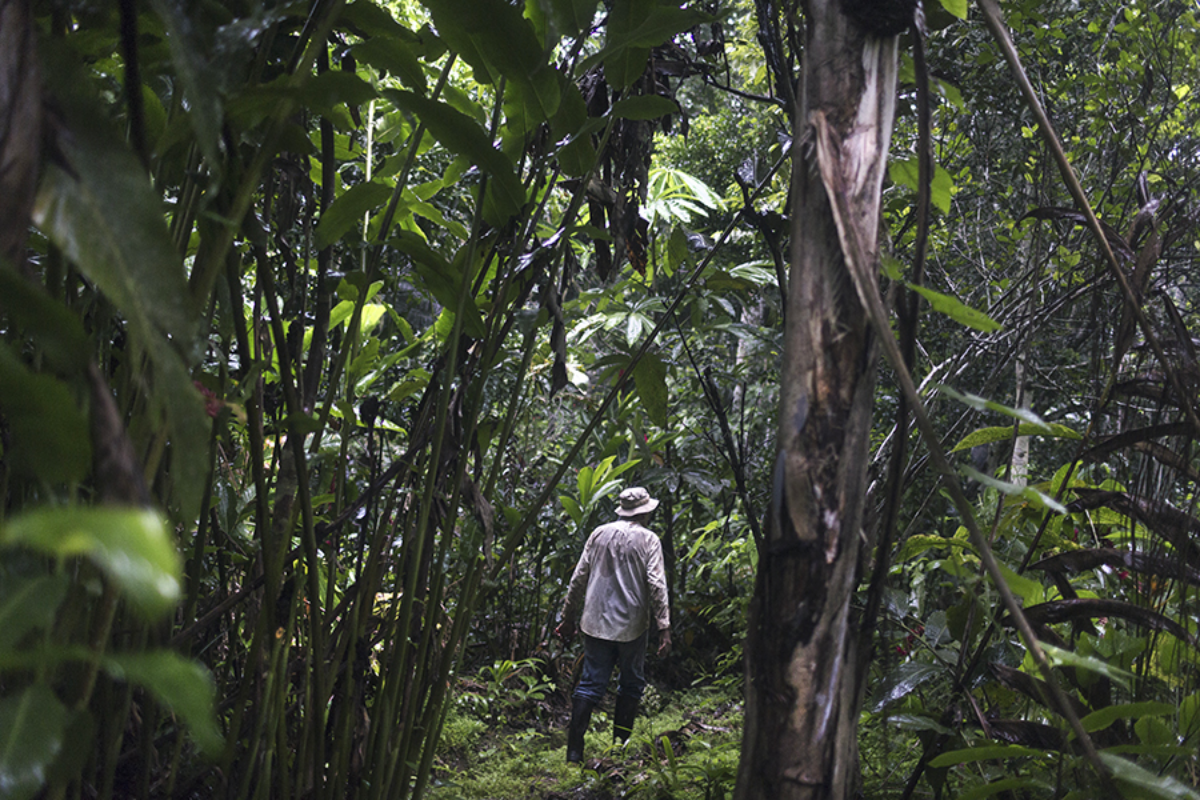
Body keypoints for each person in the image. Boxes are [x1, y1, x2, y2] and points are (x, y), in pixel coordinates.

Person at [555, 486, 671, 763]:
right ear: (645, 512)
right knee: (630, 684)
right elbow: (656, 583)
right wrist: (664, 626)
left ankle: (574, 753)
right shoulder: (649, 539)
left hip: (595, 621)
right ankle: (618, 748)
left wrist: (568, 617)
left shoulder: (598, 534)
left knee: (590, 684)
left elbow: (578, 578)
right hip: (632, 625)